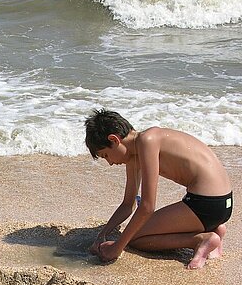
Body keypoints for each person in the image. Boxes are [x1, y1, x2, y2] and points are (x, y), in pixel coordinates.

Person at [85, 109, 233, 269]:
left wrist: (117, 247)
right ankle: (214, 227)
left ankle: (200, 239)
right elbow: (128, 204)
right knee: (132, 232)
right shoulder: (135, 155)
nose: (110, 163)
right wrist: (103, 234)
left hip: (206, 205)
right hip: (223, 204)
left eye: (106, 155)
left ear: (114, 140)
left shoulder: (147, 141)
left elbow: (147, 207)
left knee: (134, 239)